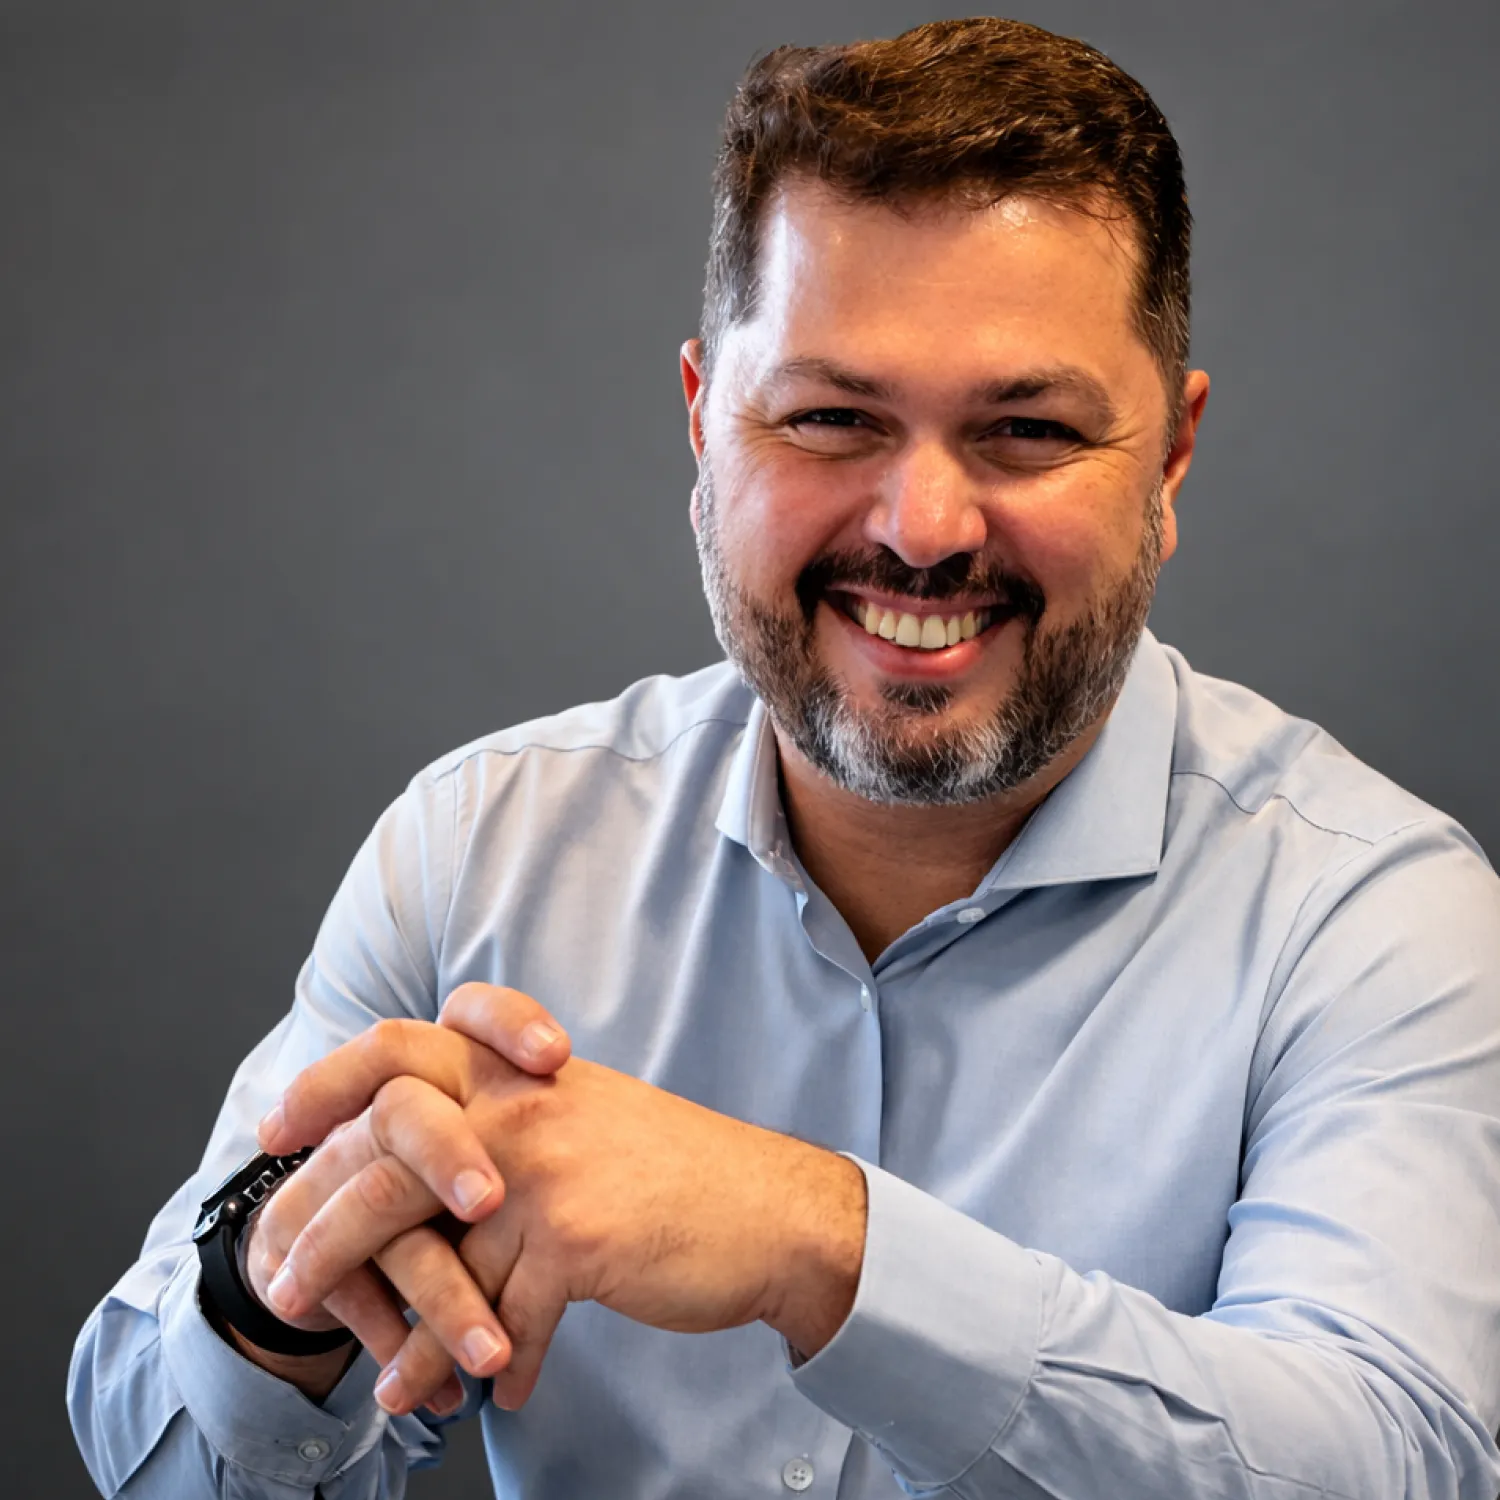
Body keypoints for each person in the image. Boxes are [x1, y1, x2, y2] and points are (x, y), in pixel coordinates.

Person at [69, 16, 1500, 1500]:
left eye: (1026, 429)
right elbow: (163, 1465)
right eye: (830, 418)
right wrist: (270, 1286)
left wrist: (819, 1245)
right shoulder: (478, 853)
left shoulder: (1378, 916)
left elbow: (1394, 1459)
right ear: (704, 423)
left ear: (1170, 460)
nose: (925, 528)